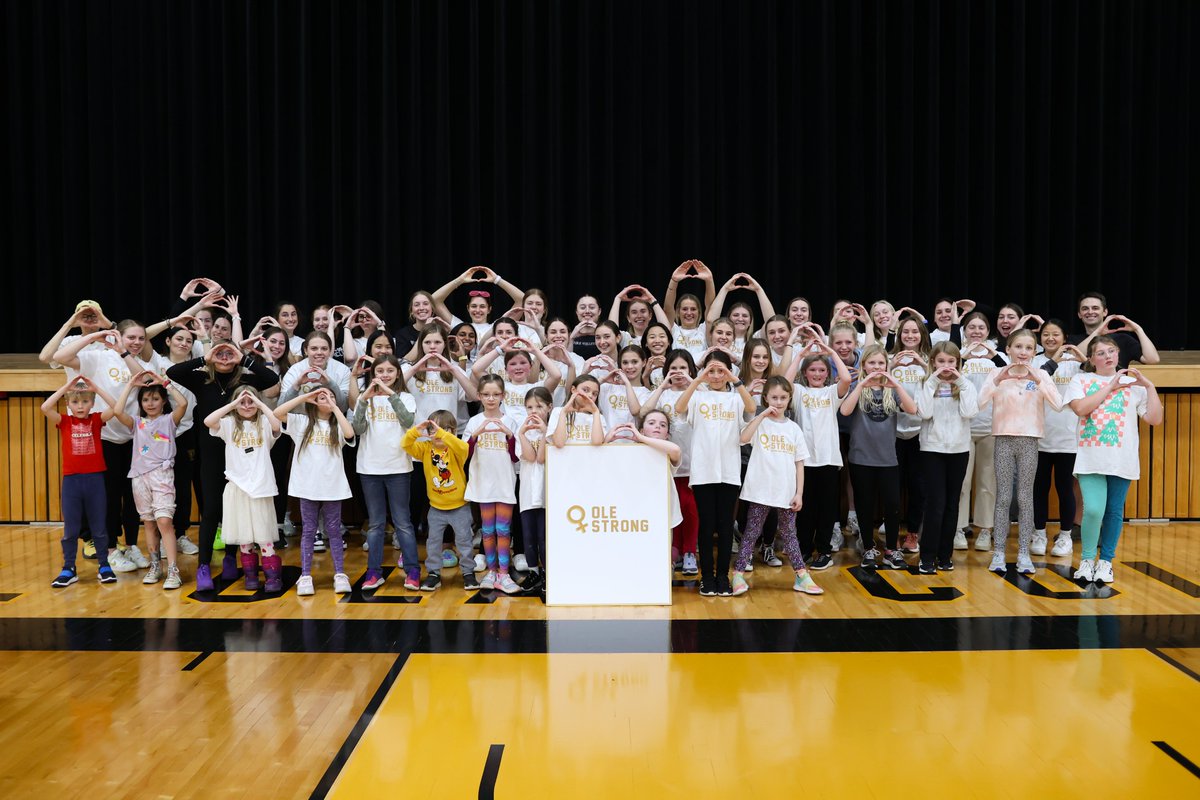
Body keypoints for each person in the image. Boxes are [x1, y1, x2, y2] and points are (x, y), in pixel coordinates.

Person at [167, 341, 280, 590]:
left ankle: (231, 558)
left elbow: (271, 378)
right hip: (211, 453)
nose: (225, 357)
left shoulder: (244, 382)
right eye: (221, 353)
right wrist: (204, 359)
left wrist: (244, 359)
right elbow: (172, 373)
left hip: (240, 455)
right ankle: (204, 567)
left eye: (230, 353)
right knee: (211, 511)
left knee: (234, 511)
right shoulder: (201, 380)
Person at [1064, 336, 1163, 584]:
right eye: (1101, 353)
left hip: (1122, 458)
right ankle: (1087, 560)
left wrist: (1149, 387)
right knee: (1094, 509)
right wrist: (1110, 386)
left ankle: (1106, 562)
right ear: (1091, 359)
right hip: (1090, 457)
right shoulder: (1081, 380)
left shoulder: (1134, 385)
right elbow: (1080, 408)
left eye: (1112, 351)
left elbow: (1154, 419)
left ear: (1118, 355)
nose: (1107, 356)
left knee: (1114, 512)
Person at [977, 329, 1062, 575]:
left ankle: (1024, 552)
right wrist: (997, 379)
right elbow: (979, 404)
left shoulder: (1042, 375)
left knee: (1025, 498)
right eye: (1018, 347)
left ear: (1034, 352)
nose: (1023, 352)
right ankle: (999, 552)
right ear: (1009, 349)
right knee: (1003, 497)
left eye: (1028, 348)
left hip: (1029, 441)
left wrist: (1040, 381)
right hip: (1003, 439)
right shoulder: (996, 373)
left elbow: (1057, 405)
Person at [730, 377, 822, 596]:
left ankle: (802, 576)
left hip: (786, 492)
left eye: (783, 397)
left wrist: (799, 493)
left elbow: (800, 464)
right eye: (774, 397)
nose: (778, 402)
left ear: (789, 399)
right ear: (766, 398)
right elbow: (743, 438)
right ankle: (738, 574)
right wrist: (761, 414)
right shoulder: (760, 422)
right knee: (751, 532)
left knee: (790, 534)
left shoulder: (794, 429)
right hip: (760, 490)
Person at [674, 352, 756, 596]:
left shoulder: (735, 398)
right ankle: (707, 577)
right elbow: (679, 407)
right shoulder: (698, 397)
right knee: (706, 526)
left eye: (722, 371)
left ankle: (723, 577)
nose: (717, 376)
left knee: (726, 526)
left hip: (729, 471)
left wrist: (736, 380)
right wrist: (697, 380)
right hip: (703, 472)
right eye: (712, 371)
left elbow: (751, 407)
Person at [839, 344, 919, 570]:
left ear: (887, 365)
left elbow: (912, 409)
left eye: (880, 363)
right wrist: (862, 383)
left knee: (893, 505)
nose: (876, 367)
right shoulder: (857, 386)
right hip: (861, 459)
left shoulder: (893, 389)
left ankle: (891, 551)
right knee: (864, 505)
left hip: (888, 459)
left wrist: (895, 383)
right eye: (871, 363)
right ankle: (868, 549)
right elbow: (845, 411)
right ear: (864, 365)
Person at [109, 372, 190, 589]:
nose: (150, 403)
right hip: (139, 477)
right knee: (149, 523)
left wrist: (165, 383)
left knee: (164, 521)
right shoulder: (137, 422)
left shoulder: (169, 420)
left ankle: (173, 569)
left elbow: (183, 403)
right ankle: (156, 566)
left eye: (155, 398)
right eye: (145, 399)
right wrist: (130, 385)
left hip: (162, 475)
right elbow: (117, 411)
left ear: (163, 400)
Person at [274, 386, 356, 596]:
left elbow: (349, 433)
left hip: (332, 487)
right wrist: (305, 397)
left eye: (330, 396)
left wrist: (335, 408)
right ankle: (306, 575)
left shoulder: (338, 424)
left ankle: (339, 574)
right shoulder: (301, 423)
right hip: (307, 486)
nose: (326, 400)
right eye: (321, 397)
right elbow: (277, 413)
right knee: (309, 530)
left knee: (334, 531)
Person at [204, 386, 284, 591]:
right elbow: (208, 421)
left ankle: (273, 577)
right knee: (244, 538)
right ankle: (250, 576)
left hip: (261, 488)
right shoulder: (229, 424)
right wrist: (233, 404)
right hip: (237, 488)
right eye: (243, 402)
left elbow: (277, 424)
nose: (247, 406)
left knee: (265, 537)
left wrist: (260, 404)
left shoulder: (264, 422)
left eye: (251, 402)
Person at [43, 376, 121, 587]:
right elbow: (45, 407)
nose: (80, 406)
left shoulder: (96, 420)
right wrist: (66, 388)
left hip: (95, 480)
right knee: (71, 528)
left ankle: (104, 565)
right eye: (75, 402)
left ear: (92, 403)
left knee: (99, 526)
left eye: (85, 401)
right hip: (72, 482)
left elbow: (116, 407)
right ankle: (69, 567)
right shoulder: (65, 421)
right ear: (68, 404)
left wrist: (97, 388)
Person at [782, 339, 852, 570]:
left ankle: (823, 551)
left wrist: (831, 352)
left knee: (826, 508)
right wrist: (800, 354)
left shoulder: (832, 392)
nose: (817, 373)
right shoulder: (800, 392)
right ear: (805, 372)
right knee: (805, 508)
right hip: (803, 461)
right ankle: (803, 549)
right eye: (812, 369)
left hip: (829, 459)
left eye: (822, 370)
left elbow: (847, 379)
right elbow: (784, 381)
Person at [352, 355, 417, 591]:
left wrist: (391, 396)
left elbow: (408, 421)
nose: (385, 375)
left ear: (398, 374)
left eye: (390, 370)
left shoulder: (405, 397)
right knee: (376, 525)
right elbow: (357, 429)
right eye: (380, 371)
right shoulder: (364, 399)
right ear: (373, 374)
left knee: (403, 523)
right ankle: (373, 573)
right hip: (369, 469)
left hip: (398, 467)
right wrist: (362, 401)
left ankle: (412, 571)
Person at [915, 342, 978, 573]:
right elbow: (924, 412)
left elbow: (970, 412)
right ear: (933, 362)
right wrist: (933, 381)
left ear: (958, 363)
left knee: (953, 504)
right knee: (935, 504)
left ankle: (945, 555)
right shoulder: (924, 383)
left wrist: (959, 382)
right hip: (932, 449)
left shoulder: (966, 385)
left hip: (959, 450)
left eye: (951, 362)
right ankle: (927, 556)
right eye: (941, 361)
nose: (946, 366)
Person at [403, 411, 479, 591]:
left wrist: (444, 434)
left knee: (464, 541)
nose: (437, 433)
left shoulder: (455, 449)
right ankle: (433, 574)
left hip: (459, 507)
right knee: (433, 543)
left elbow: (464, 447)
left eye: (444, 430)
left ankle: (468, 573)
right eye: (433, 429)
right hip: (436, 508)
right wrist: (417, 431)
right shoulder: (425, 449)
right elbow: (405, 444)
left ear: (452, 432)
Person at [642, 351, 699, 575]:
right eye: (673, 368)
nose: (678, 372)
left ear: (691, 371)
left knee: (691, 508)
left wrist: (693, 383)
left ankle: (689, 552)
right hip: (666, 463)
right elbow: (643, 412)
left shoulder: (696, 393)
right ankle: (673, 550)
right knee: (672, 508)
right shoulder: (663, 395)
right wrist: (661, 387)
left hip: (692, 460)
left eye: (683, 368)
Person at [956, 312, 1008, 551]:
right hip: (962, 427)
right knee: (962, 482)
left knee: (988, 482)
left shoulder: (998, 358)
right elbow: (949, 371)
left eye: (981, 327)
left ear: (988, 331)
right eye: (971, 327)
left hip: (990, 427)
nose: (976, 331)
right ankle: (957, 529)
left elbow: (1010, 375)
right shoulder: (958, 356)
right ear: (964, 331)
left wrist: (994, 355)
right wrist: (963, 355)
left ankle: (985, 530)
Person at [1032, 321, 1085, 558]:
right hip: (1038, 436)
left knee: (1065, 489)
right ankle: (1039, 533)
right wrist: (1055, 362)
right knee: (1039, 488)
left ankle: (1065, 536)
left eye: (1056, 334)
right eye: (1046, 334)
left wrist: (1080, 357)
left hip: (1068, 438)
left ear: (1065, 337)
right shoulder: (1034, 361)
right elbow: (1035, 383)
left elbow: (1094, 370)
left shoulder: (1076, 365)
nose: (1051, 338)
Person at [464, 375, 521, 594]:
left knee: (503, 530)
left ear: (502, 396)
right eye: (486, 394)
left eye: (496, 394)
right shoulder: (473, 422)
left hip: (504, 482)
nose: (491, 398)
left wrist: (509, 436)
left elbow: (517, 457)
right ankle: (491, 571)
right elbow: (464, 455)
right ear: (479, 396)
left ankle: (504, 575)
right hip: (482, 483)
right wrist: (475, 436)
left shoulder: (511, 421)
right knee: (487, 531)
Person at [890, 316, 933, 553]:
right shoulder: (890, 359)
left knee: (918, 486)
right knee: (893, 487)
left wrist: (924, 364)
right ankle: (893, 533)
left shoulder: (928, 360)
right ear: (899, 335)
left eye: (914, 332)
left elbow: (938, 383)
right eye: (905, 332)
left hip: (920, 432)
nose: (909, 336)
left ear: (922, 335)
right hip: (893, 431)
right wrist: (890, 368)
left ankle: (913, 534)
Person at [516, 388, 552, 592]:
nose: (534, 411)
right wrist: (522, 433)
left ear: (549, 407)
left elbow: (542, 457)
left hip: (547, 491)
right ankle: (533, 572)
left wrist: (545, 431)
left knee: (544, 537)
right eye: (529, 407)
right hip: (528, 491)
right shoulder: (521, 432)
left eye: (539, 406)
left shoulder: (554, 430)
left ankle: (548, 572)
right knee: (529, 536)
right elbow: (530, 457)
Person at [1069, 291, 1161, 368]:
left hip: (1118, 388)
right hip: (1086, 388)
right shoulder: (1073, 340)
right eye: (1085, 309)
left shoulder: (1123, 339)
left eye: (1095, 308)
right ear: (1079, 314)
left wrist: (1138, 329)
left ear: (1105, 312)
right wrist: (1097, 332)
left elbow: (1152, 359)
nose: (1090, 312)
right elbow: (1072, 356)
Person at [662, 259, 716, 360]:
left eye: (693, 309)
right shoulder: (674, 330)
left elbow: (711, 306)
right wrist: (674, 281)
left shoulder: (704, 330)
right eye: (685, 309)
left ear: (699, 312)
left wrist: (709, 280)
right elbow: (668, 308)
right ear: (678, 312)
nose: (689, 313)